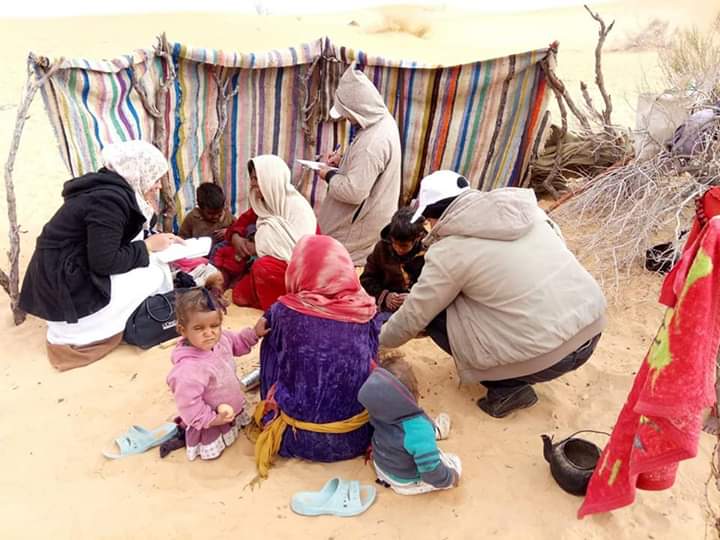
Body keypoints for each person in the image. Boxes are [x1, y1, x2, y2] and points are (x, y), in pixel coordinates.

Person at [380, 170, 607, 418]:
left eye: (428, 220)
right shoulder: (529, 212)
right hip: (592, 328)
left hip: (549, 357)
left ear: (434, 215)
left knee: (437, 313)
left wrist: (376, 341)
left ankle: (507, 389)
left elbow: (415, 315)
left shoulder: (450, 251)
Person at [19, 140, 183, 371]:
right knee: (154, 273)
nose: (157, 186)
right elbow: (105, 262)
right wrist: (147, 246)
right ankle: (91, 332)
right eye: (155, 178)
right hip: (66, 290)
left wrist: (151, 239)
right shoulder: (109, 201)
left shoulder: (111, 189)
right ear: (137, 172)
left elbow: (117, 239)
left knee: (152, 263)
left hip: (63, 278)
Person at [253, 235, 382, 477]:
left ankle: (275, 401)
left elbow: (269, 322)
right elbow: (372, 358)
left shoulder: (284, 310)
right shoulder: (366, 311)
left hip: (294, 438)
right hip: (355, 437)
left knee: (271, 342)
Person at [167, 277, 269, 461]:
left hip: (229, 407)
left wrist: (254, 333)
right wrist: (212, 420)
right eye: (199, 328)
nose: (209, 333)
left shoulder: (221, 340)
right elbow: (189, 404)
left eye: (214, 326)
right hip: (212, 420)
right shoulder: (188, 369)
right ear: (183, 330)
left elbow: (238, 342)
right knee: (217, 450)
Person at [317, 65, 401, 265]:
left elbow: (354, 192)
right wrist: (344, 162)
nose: (347, 118)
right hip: (364, 226)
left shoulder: (372, 143)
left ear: (357, 109)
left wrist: (327, 174)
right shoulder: (382, 122)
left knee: (336, 268)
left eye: (347, 113)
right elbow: (367, 170)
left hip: (353, 236)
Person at [212, 155, 317, 311]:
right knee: (239, 295)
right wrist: (235, 238)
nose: (252, 184)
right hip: (269, 266)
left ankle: (280, 311)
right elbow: (241, 222)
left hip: (295, 272)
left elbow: (300, 251)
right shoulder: (265, 202)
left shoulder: (298, 209)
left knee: (262, 267)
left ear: (271, 178)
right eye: (252, 178)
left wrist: (257, 247)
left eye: (257, 178)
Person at [358, 356, 461, 495]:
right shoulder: (419, 429)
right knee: (454, 462)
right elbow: (431, 472)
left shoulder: (378, 411)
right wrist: (450, 477)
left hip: (382, 466)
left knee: (417, 440)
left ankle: (435, 431)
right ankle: (435, 431)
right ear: (411, 396)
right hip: (404, 481)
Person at [360, 206, 426, 312]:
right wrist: (385, 296)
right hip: (385, 306)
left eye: (403, 246)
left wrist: (414, 297)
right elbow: (367, 279)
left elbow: (434, 288)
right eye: (394, 243)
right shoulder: (382, 248)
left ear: (417, 238)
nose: (397, 249)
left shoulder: (428, 253)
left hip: (418, 308)